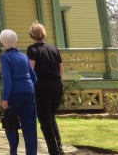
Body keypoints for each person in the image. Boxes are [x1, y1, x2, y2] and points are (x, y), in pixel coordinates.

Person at [27, 21, 65, 155]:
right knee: (51, 117)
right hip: (57, 87)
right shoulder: (54, 49)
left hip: (42, 88)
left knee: (45, 121)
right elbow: (61, 69)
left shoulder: (32, 50)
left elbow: (31, 70)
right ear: (43, 33)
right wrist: (58, 82)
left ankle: (54, 151)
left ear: (32, 35)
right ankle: (60, 148)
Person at [0, 29, 38, 155]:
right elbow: (34, 77)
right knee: (30, 125)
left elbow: (7, 79)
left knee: (11, 123)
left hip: (14, 93)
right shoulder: (24, 56)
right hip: (28, 90)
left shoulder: (5, 57)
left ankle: (13, 151)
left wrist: (5, 98)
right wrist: (31, 88)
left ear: (3, 42)